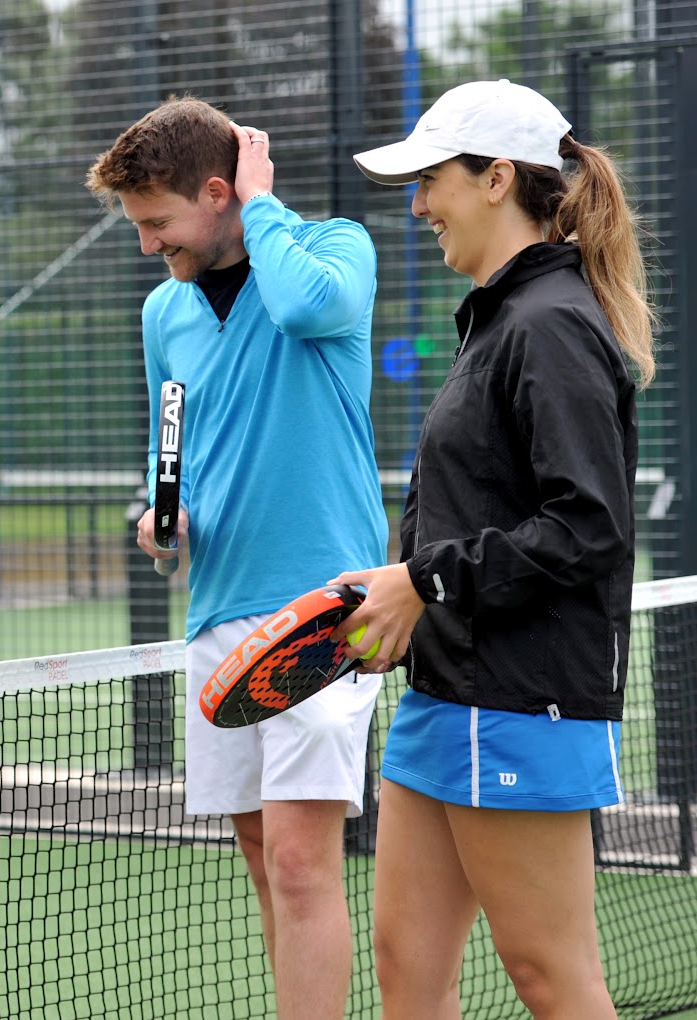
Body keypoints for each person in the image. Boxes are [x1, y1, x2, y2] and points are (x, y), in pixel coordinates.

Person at [339, 79, 653, 1019]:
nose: (417, 203)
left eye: (431, 178)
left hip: (522, 701)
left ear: (495, 180)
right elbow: (470, 505)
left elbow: (588, 525)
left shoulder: (550, 324)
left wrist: (425, 581)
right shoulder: (499, 319)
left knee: (552, 980)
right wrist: (396, 589)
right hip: (446, 695)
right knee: (406, 967)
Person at [86, 98, 387, 1018]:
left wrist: (263, 199)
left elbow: (300, 307)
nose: (148, 246)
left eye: (159, 223)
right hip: (217, 615)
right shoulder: (162, 312)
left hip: (325, 611)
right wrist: (158, 520)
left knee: (302, 863)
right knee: (265, 860)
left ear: (221, 193)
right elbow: (169, 448)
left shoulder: (337, 249)